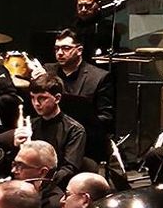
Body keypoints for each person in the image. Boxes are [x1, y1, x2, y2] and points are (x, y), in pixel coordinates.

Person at [0, 74, 85, 195]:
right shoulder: (30, 125)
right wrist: (15, 147)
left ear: (57, 98)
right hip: (24, 184)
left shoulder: (75, 130)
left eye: (42, 98)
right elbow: (17, 165)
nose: (36, 103)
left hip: (53, 190)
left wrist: (41, 185)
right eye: (32, 98)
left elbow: (69, 169)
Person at [47, 29, 113, 160]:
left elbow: (106, 117)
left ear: (79, 50)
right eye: (57, 48)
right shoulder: (47, 71)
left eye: (66, 48)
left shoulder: (99, 77)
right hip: (50, 133)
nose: (59, 53)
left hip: (84, 138)